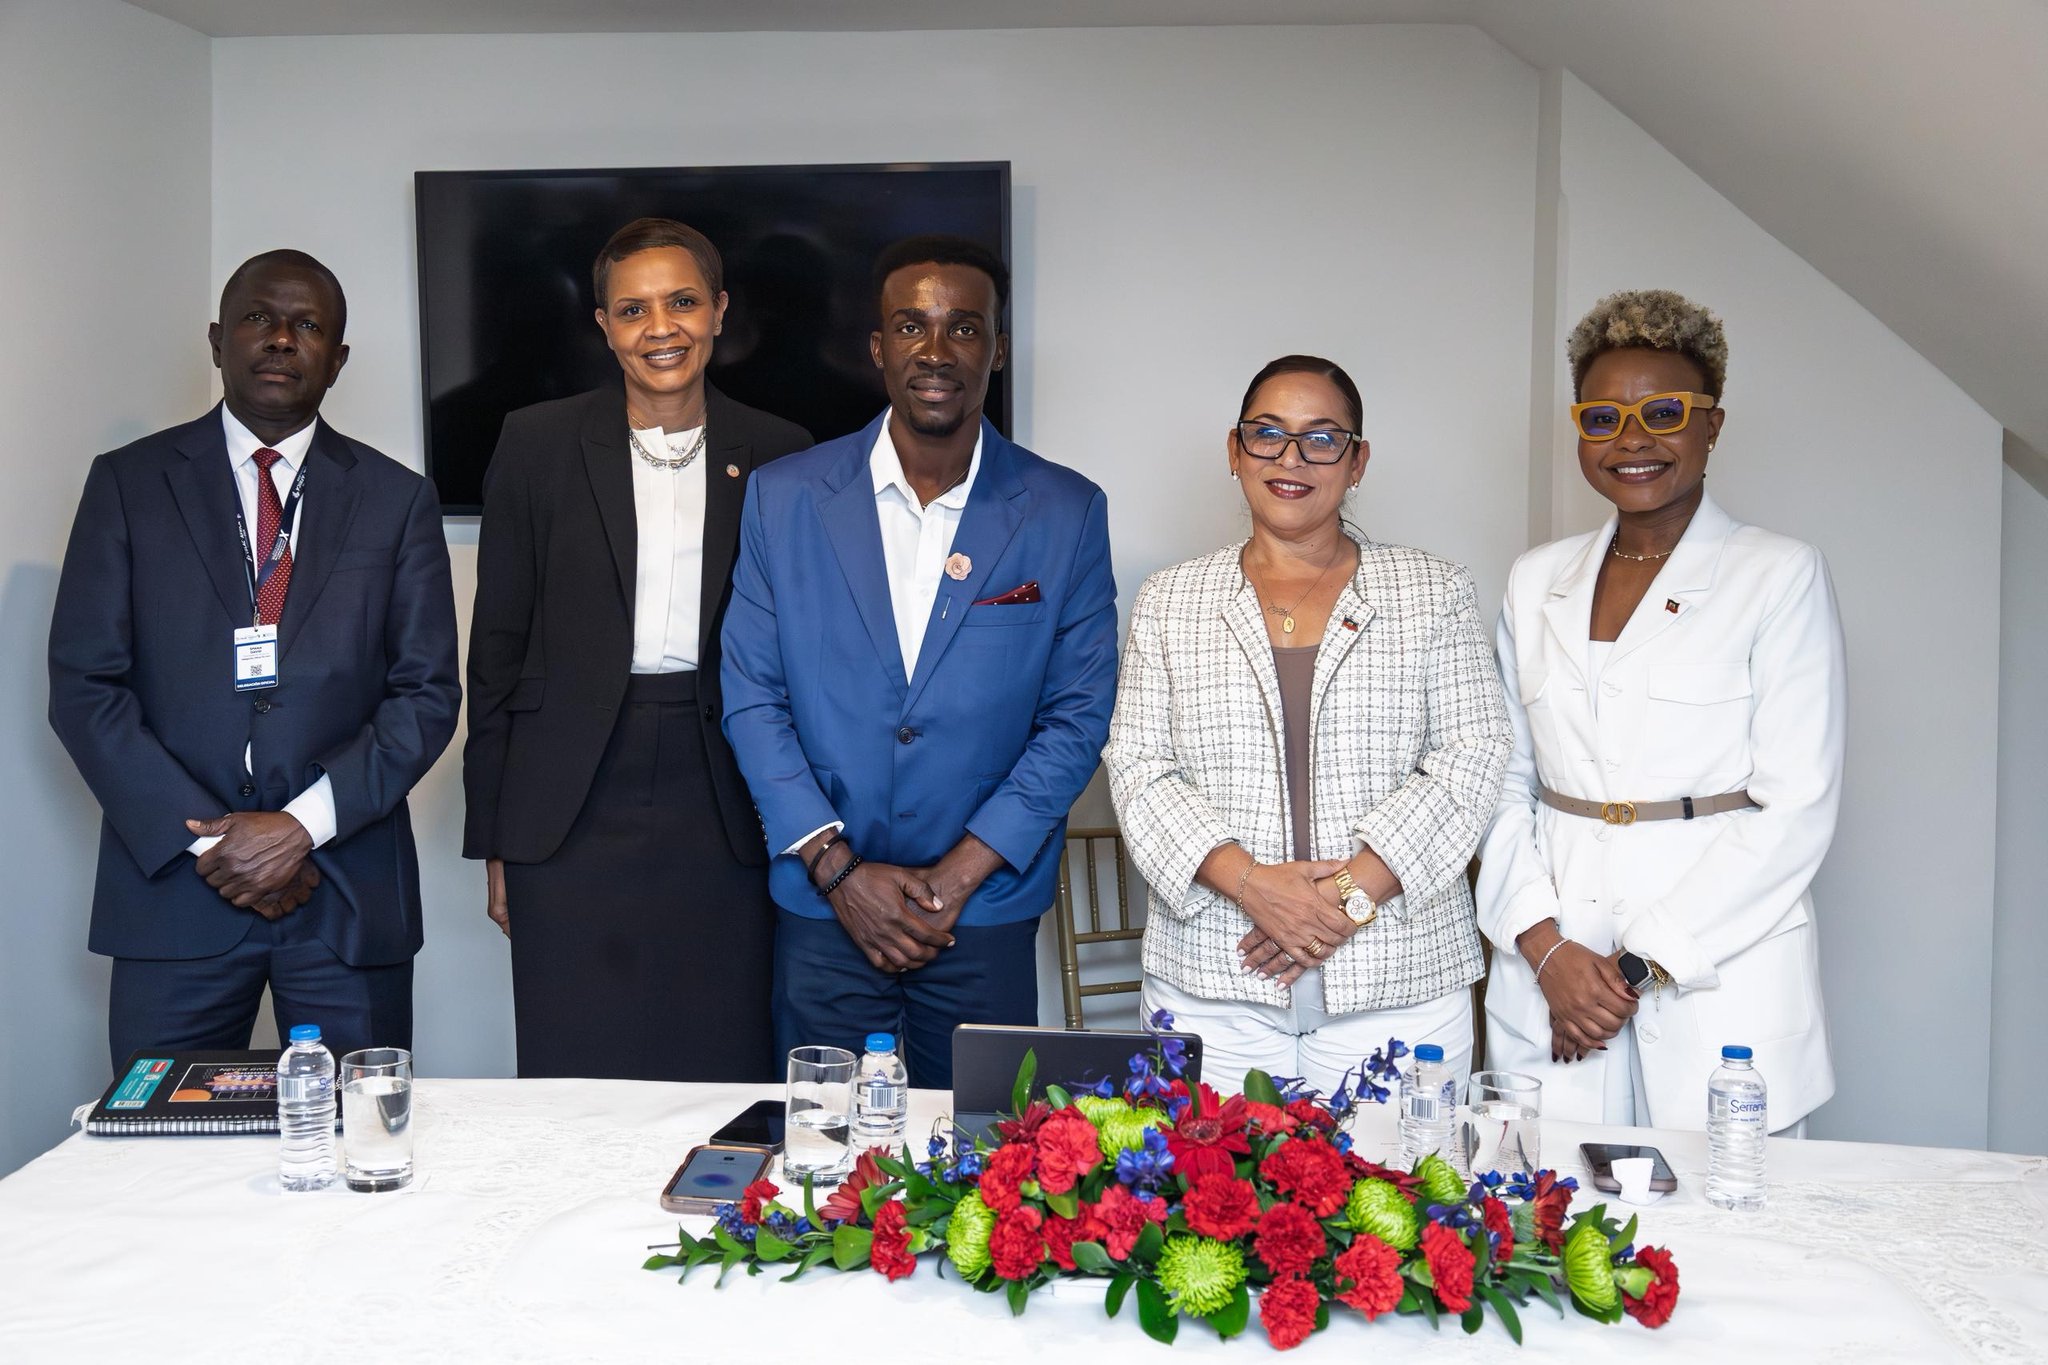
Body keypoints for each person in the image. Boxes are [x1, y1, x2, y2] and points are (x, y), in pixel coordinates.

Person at [720, 234, 1118, 1088]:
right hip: (824, 907)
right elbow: (752, 698)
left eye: (964, 329)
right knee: (823, 1168)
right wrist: (838, 869)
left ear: (998, 348)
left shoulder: (1067, 510)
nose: (936, 352)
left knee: (985, 1178)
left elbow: (1078, 715)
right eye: (911, 326)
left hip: (981, 913)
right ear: (878, 348)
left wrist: (959, 874)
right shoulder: (784, 497)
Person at [48, 250, 461, 1070]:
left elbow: (426, 694)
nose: (281, 338)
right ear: (216, 340)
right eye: (258, 319)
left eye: (307, 325)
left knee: (359, 1151)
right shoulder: (128, 484)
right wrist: (216, 845)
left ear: (336, 360)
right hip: (175, 894)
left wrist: (298, 829)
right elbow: (86, 686)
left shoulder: (397, 497)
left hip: (343, 891)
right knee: (162, 1159)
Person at [1476, 289, 1844, 1133]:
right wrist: (1548, 950)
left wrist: (1635, 969)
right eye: (1603, 416)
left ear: (1712, 424)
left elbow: (1796, 806)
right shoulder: (1536, 580)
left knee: (1737, 1234)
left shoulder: (1777, 575)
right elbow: (1498, 785)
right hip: (1554, 970)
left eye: (1665, 411)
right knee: (1553, 1229)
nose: (1632, 438)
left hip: (1720, 973)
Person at [1104, 355, 1512, 1098]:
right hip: (1214, 972)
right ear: (1235, 451)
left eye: (1322, 439)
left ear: (1357, 461)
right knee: (1214, 1207)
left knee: (1405, 1206)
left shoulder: (1434, 589)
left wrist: (1342, 900)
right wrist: (1254, 886)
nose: (1291, 459)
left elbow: (1473, 755)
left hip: (1400, 976)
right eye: (1268, 435)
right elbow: (1137, 765)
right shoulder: (1171, 598)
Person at [463, 218, 810, 1081]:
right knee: (572, 1049)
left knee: (723, 1048)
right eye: (634, 308)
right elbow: (496, 648)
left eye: (683, 301)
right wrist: (496, 839)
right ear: (605, 325)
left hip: (725, 784)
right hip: (566, 795)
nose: (662, 328)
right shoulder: (535, 443)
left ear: (720, 311)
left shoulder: (782, 453)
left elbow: (803, 657)